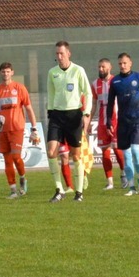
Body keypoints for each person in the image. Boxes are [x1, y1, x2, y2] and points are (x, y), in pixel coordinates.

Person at [46, 41, 93, 202]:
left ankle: (78, 192)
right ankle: (59, 190)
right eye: (57, 54)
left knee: (76, 155)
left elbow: (88, 93)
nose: (59, 56)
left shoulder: (78, 70)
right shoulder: (52, 72)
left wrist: (86, 113)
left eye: (62, 53)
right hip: (56, 116)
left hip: (74, 115)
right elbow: (51, 94)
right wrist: (50, 111)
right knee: (51, 152)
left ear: (68, 53)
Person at [0, 62, 40, 199]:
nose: (5, 74)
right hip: (2, 131)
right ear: (0, 73)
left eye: (8, 71)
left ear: (12, 72)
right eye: (3, 71)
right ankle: (13, 191)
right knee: (7, 161)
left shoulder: (19, 88)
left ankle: (22, 177)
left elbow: (29, 108)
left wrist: (34, 128)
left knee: (16, 157)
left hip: (17, 129)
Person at [107, 52, 139, 195]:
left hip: (137, 120)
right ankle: (132, 187)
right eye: (120, 64)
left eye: (125, 63)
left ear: (130, 63)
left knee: (135, 150)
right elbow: (110, 103)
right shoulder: (115, 82)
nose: (122, 66)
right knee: (127, 156)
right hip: (123, 122)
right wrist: (108, 120)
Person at [90, 59, 127, 191]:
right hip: (102, 121)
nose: (101, 69)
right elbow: (94, 104)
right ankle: (110, 182)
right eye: (99, 67)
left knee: (117, 149)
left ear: (110, 67)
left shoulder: (117, 81)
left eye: (103, 67)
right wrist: (88, 121)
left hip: (116, 119)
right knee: (104, 151)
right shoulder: (95, 84)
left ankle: (123, 173)